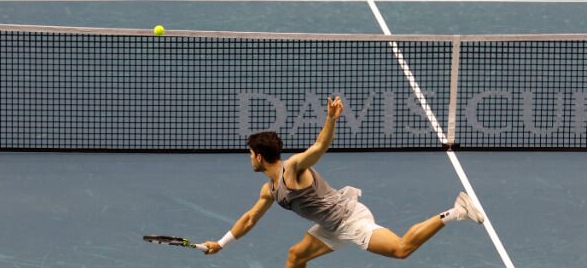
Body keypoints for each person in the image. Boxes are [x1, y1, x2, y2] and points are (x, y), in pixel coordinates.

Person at [198, 96, 485, 267]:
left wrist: (331, 119)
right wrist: (221, 244)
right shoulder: (269, 189)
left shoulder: (293, 168)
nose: (249, 159)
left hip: (350, 220)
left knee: (401, 250)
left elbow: (319, 147)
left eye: (250, 154)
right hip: (330, 225)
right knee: (296, 256)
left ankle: (456, 211)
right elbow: (249, 219)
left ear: (259, 157)